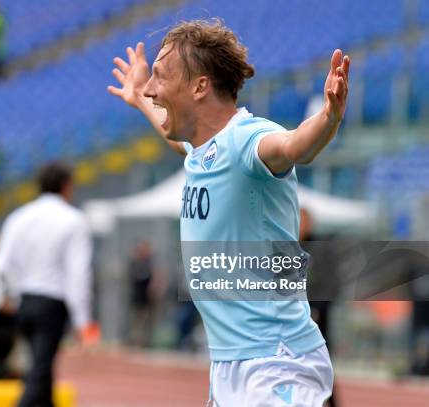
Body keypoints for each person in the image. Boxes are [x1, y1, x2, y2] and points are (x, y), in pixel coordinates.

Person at [108, 19, 349, 406]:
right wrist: (138, 97)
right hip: (229, 363)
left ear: (200, 86)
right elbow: (178, 144)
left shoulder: (245, 139)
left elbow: (292, 147)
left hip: (275, 361)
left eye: (158, 77)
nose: (152, 88)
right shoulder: (202, 150)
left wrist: (328, 118)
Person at [0, 162, 95, 407]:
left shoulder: (19, 216)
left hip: (23, 304)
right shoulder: (74, 220)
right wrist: (85, 324)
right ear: (66, 185)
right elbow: (78, 276)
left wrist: (4, 296)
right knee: (39, 372)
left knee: (41, 372)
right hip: (52, 307)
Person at [300, 208, 340, 407]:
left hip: (317, 319)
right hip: (292, 320)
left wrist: (316, 309)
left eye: (303, 221)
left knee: (320, 366)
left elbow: (332, 284)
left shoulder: (321, 249)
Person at [128, 240, 155, 347]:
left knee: (147, 320)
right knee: (137, 321)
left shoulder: (149, 263)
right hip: (138, 297)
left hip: (147, 298)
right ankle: (135, 341)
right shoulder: (135, 262)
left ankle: (145, 342)